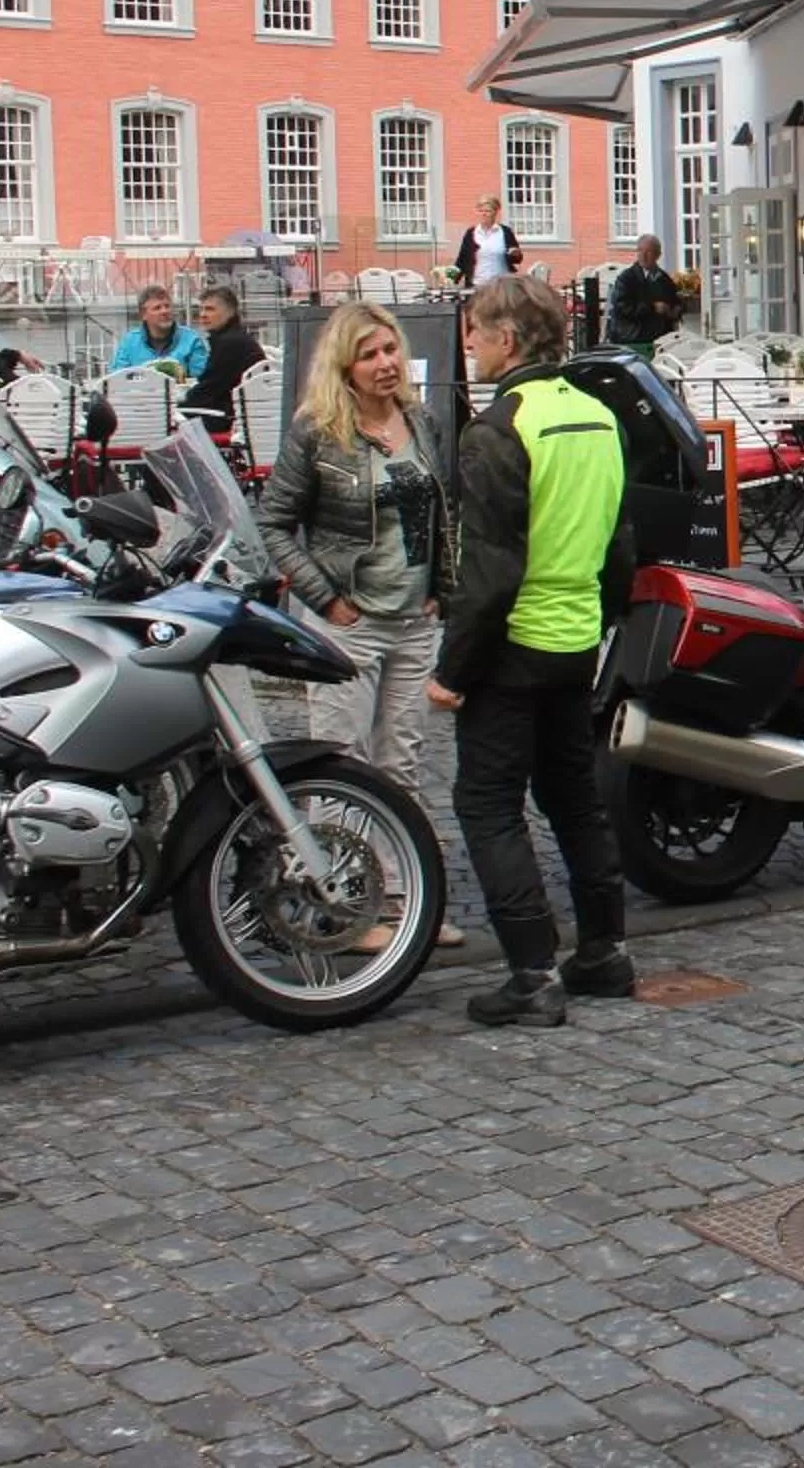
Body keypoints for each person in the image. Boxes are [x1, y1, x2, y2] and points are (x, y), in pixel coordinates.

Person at [429, 275, 634, 1026]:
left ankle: (531, 973)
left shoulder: (499, 429)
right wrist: (600, 620)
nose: (469, 345)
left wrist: (453, 670)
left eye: (475, 331)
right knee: (574, 797)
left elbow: (489, 572)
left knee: (487, 804)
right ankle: (604, 951)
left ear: (508, 340)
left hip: (514, 644)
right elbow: (620, 543)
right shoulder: (600, 417)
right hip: (576, 636)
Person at [258, 302, 465, 952]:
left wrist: (441, 591)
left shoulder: (421, 421)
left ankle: (403, 902)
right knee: (341, 766)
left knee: (401, 764)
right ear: (344, 365)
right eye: (369, 354)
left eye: (390, 350)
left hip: (412, 621)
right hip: (349, 623)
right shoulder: (318, 431)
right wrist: (325, 599)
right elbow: (273, 523)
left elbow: (444, 513)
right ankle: (340, 909)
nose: (384, 364)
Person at [179, 287, 265, 434]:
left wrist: (179, 403)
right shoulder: (236, 338)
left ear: (230, 313)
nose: (203, 315)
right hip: (241, 414)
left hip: (230, 418)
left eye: (210, 309)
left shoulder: (230, 344)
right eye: (201, 309)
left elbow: (208, 389)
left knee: (170, 418)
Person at [604, 234, 683, 354]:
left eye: (649, 252)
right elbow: (623, 307)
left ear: (658, 255)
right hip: (631, 338)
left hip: (660, 340)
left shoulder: (664, 279)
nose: (643, 256)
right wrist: (652, 307)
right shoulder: (626, 278)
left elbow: (675, 301)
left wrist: (676, 309)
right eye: (640, 250)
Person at [110, 285, 209, 378]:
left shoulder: (191, 340)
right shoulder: (129, 343)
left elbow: (202, 381)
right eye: (157, 308)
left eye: (167, 306)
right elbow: (117, 379)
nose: (164, 311)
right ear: (143, 315)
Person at [454, 195, 520, 289]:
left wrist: (515, 254)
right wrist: (452, 279)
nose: (484, 214)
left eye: (487, 211)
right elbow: (462, 260)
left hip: (501, 286)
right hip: (477, 285)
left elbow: (517, 258)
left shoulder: (505, 232)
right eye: (481, 211)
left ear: (495, 212)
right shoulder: (471, 233)